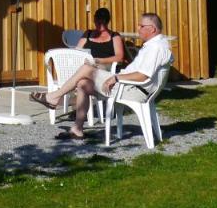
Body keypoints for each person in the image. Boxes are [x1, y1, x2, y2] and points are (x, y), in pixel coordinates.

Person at [31, 12, 173, 139]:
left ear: (152, 29)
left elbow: (142, 76)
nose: (138, 29)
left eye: (141, 26)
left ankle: (54, 97)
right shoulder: (155, 45)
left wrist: (116, 77)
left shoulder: (155, 48)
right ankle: (77, 129)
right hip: (130, 86)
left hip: (132, 90)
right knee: (82, 84)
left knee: (87, 69)